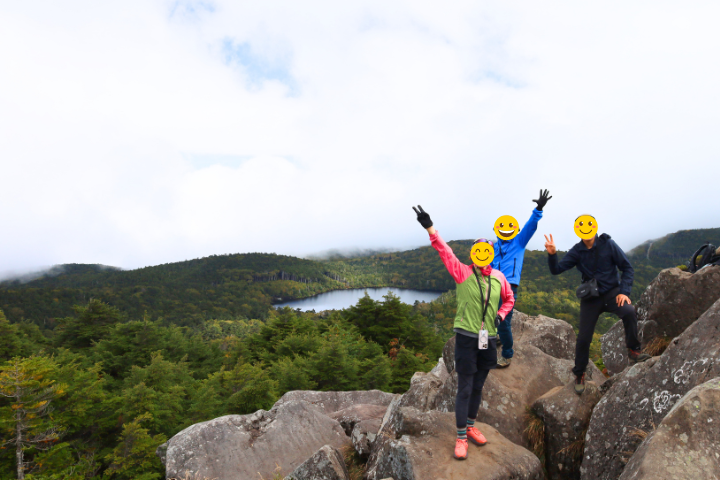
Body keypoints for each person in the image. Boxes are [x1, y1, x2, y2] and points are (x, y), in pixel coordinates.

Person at [413, 205, 515, 460]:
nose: (483, 255)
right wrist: (430, 228)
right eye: (478, 251)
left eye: (486, 251)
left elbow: (509, 299)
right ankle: (460, 437)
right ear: (473, 254)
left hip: (488, 338)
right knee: (465, 387)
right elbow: (444, 251)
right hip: (467, 337)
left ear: (490, 254)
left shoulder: (500, 278)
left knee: (479, 385)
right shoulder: (462, 272)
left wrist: (501, 315)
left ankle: (470, 426)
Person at [543, 217, 650, 395]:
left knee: (629, 311)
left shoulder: (608, 244)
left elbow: (627, 268)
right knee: (584, 338)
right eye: (582, 226)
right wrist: (552, 254)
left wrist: (624, 292)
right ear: (577, 229)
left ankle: (633, 351)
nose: (586, 230)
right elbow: (557, 270)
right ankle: (579, 374)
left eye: (589, 225)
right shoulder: (577, 251)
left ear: (595, 227)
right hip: (591, 298)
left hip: (612, 293)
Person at [491, 189, 552, 368]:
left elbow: (530, 226)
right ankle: (497, 339)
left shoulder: (519, 241)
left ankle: (507, 355)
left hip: (509, 288)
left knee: (503, 322)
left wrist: (538, 208)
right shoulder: (493, 248)